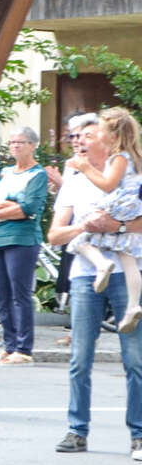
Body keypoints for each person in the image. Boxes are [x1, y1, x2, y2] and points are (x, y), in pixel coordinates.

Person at [49, 116, 142, 458]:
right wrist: (84, 227)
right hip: (85, 274)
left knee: (135, 358)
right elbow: (55, 234)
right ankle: (77, 430)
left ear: (107, 139)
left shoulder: (133, 172)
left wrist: (116, 227)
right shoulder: (75, 182)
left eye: (88, 135)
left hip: (125, 270)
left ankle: (139, 434)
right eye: (77, 136)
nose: (80, 141)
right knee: (80, 357)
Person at [65, 108, 142, 332]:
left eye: (100, 131)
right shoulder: (134, 157)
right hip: (133, 207)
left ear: (113, 135)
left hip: (119, 206)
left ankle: (101, 264)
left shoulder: (119, 157)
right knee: (128, 259)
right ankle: (133, 306)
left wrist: (85, 168)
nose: (97, 134)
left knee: (80, 238)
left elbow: (108, 185)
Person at [0, 126, 49, 364]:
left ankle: (24, 348)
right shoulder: (5, 172)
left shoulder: (38, 175)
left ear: (33, 145)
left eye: (21, 142)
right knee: (1, 294)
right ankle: (9, 346)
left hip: (22, 239)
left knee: (20, 294)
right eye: (12, 142)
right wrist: (10, 206)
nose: (15, 146)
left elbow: (29, 208)